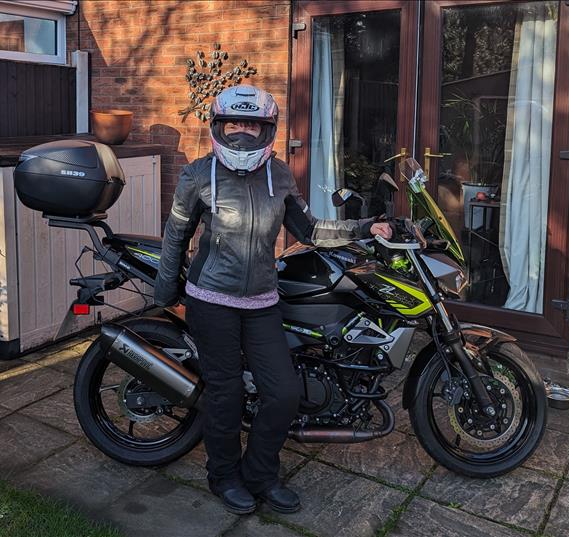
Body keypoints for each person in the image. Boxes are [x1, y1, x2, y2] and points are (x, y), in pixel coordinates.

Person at [153, 85, 392, 515]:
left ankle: (261, 474)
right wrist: (165, 292)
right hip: (212, 300)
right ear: (218, 127)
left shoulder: (279, 174)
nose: (242, 132)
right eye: (234, 123)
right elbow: (176, 236)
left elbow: (312, 230)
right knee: (224, 394)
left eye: (253, 125)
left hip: (263, 300)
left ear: (268, 130)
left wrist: (365, 228)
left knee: (282, 392)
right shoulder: (195, 176)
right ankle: (224, 476)